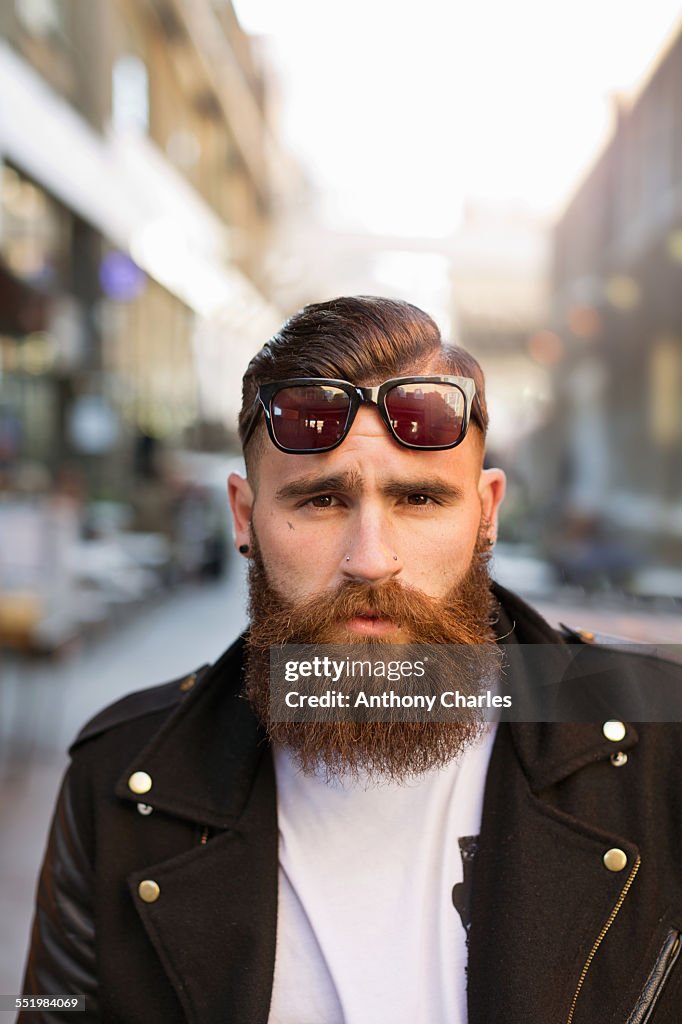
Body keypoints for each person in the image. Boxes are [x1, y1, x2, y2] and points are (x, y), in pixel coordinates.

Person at [19, 297, 682, 1023]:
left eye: (421, 497)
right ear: (244, 517)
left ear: (486, 513)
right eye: (323, 499)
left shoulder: (662, 740)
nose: (371, 560)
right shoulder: (122, 773)